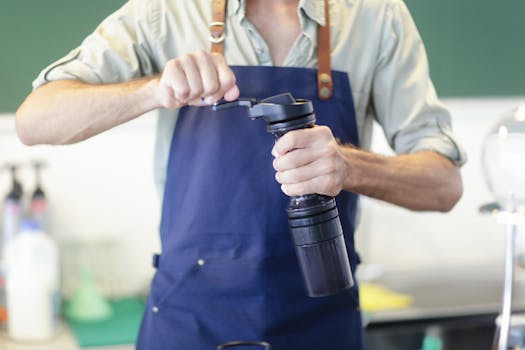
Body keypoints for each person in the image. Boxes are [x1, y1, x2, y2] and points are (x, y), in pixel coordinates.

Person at [15, 0, 466, 349]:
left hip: (321, 324)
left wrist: (349, 165)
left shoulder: (376, 17)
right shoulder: (165, 13)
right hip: (188, 325)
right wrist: (153, 90)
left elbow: (444, 185)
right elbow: (35, 120)